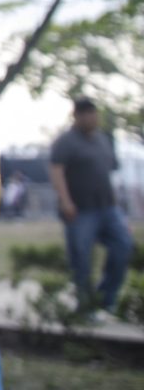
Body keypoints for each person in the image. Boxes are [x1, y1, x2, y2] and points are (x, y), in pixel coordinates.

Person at [50, 97, 134, 316]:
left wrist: (121, 213)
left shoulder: (103, 140)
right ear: (76, 116)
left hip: (108, 207)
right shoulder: (66, 142)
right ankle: (85, 306)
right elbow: (57, 171)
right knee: (81, 257)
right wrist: (65, 201)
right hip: (80, 210)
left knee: (123, 245)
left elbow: (109, 176)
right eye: (86, 113)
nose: (91, 117)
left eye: (93, 113)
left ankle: (107, 297)